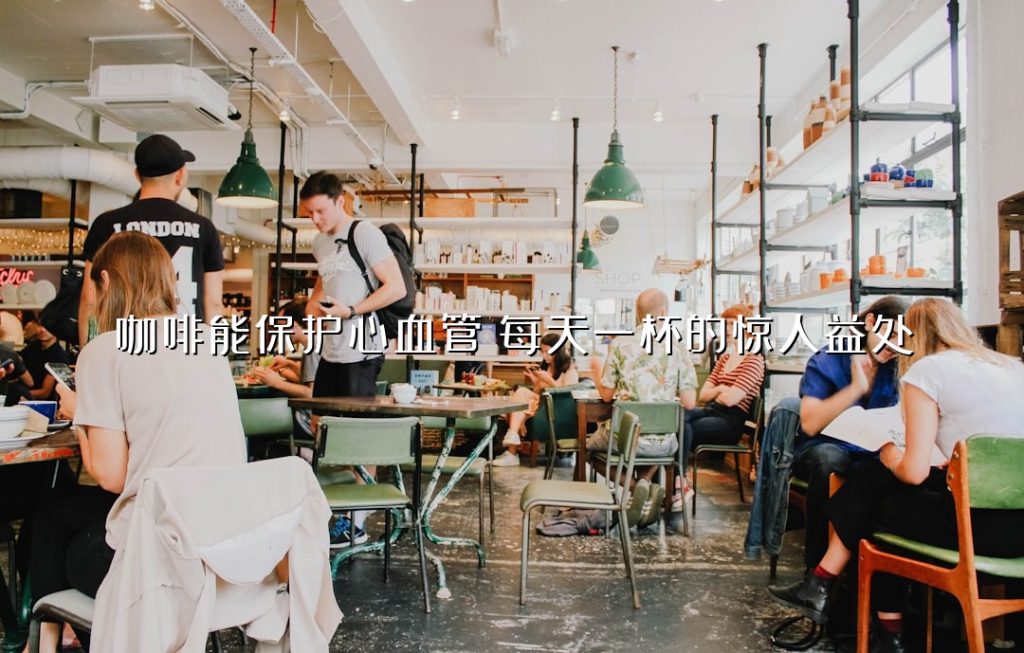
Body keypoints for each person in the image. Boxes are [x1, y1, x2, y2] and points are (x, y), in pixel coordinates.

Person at [27, 231, 245, 653]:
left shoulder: (105, 349)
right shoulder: (206, 340)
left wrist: (81, 414)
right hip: (222, 546)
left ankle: (56, 638)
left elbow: (111, 477)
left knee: (59, 527)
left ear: (106, 281)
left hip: (162, 561)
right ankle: (55, 638)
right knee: (58, 508)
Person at [769, 298, 1024, 653]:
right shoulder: (1012, 366)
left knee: (882, 503)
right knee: (877, 481)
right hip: (1018, 531)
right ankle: (829, 590)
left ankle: (867, 617)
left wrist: (889, 453)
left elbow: (913, 472)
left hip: (975, 530)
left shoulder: (928, 371)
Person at [78, 134, 225, 346]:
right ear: (180, 176)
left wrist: (87, 352)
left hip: (126, 345)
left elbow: (89, 298)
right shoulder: (204, 228)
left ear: (137, 175)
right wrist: (214, 352)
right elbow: (213, 302)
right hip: (184, 345)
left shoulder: (107, 224)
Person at [588, 288, 698, 510]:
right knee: (654, 444)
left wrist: (597, 370)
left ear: (637, 314)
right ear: (664, 312)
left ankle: (636, 488)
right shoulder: (678, 345)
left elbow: (606, 395)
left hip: (626, 438)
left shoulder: (619, 343)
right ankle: (645, 487)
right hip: (665, 442)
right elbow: (689, 402)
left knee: (588, 450)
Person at [300, 172, 404, 398]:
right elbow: (324, 282)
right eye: (309, 213)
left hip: (362, 352)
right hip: (329, 351)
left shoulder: (364, 233)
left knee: (352, 419)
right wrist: (313, 307)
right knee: (320, 416)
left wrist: (350, 311)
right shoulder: (319, 243)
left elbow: (397, 287)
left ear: (339, 202)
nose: (315, 219)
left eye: (321, 211)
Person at [682, 303, 765, 464]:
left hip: (731, 422)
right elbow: (703, 395)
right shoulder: (724, 358)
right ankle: (677, 473)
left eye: (733, 324)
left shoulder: (754, 360)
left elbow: (730, 400)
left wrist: (717, 394)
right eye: (725, 324)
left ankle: (677, 473)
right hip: (711, 410)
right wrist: (721, 388)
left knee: (682, 427)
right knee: (678, 416)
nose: (727, 329)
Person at [493, 331, 580, 467]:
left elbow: (567, 393)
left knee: (520, 400)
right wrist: (536, 381)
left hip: (556, 408)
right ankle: (512, 442)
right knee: (519, 398)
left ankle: (512, 449)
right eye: (542, 352)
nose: (544, 356)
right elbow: (538, 392)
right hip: (541, 403)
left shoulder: (570, 368)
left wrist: (549, 380)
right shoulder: (547, 366)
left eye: (548, 352)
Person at [18, 319, 70, 401]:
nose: (42, 330)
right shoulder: (33, 346)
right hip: (23, 394)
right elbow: (18, 362)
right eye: (40, 325)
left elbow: (44, 393)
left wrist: (18, 393)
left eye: (48, 327)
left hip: (43, 403)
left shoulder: (59, 356)